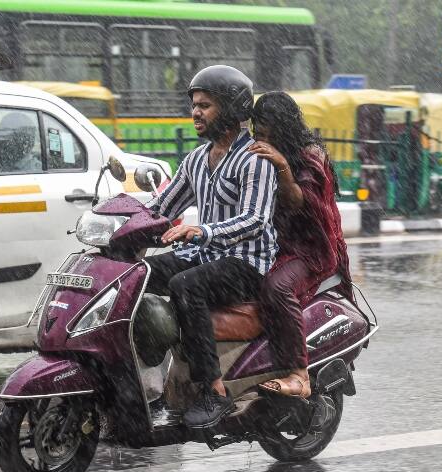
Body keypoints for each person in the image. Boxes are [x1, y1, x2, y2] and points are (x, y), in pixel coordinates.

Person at [145, 65, 278, 428]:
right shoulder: (195, 161)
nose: (196, 112)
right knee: (136, 276)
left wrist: (200, 231)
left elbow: (255, 220)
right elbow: (159, 210)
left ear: (231, 109)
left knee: (186, 285)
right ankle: (153, 385)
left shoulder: (255, 159)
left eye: (205, 105)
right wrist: (119, 219)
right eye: (194, 105)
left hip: (246, 263)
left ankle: (214, 391)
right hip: (206, 255)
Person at [249, 91, 353, 398]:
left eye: (266, 125)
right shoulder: (261, 151)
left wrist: (282, 165)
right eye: (257, 125)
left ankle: (299, 374)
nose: (260, 132)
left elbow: (301, 204)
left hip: (311, 249)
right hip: (275, 244)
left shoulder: (309, 155)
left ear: (282, 126)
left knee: (277, 288)